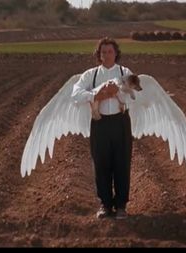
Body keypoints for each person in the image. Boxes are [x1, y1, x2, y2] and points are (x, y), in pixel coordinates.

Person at [71, 37, 134, 219]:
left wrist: (118, 93)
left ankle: (121, 206)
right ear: (99, 55)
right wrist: (96, 94)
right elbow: (76, 93)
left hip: (121, 122)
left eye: (110, 51)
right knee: (101, 164)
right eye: (103, 52)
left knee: (122, 164)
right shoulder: (90, 75)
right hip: (100, 123)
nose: (107, 55)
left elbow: (133, 93)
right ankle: (105, 205)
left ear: (116, 53)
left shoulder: (125, 71)